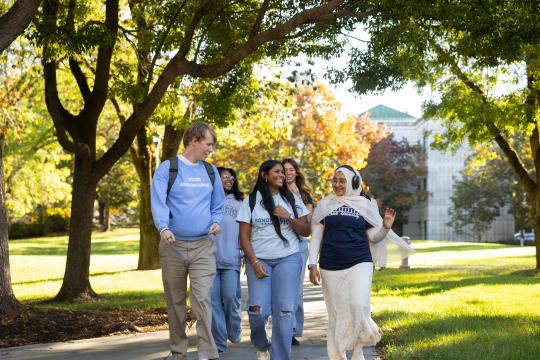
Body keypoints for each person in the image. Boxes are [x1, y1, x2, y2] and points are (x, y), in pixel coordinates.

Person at [308, 165, 414, 360]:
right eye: (335, 180)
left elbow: (374, 238)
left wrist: (384, 227)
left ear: (353, 183)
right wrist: (312, 264)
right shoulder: (325, 204)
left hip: (359, 261)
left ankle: (358, 351)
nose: (337, 184)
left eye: (342, 181)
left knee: (359, 305)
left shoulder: (366, 204)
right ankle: (338, 354)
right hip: (330, 264)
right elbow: (316, 237)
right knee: (337, 312)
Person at [151, 122, 225, 360]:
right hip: (173, 246)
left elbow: (218, 205)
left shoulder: (210, 171)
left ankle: (207, 352)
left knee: (202, 299)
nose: (210, 149)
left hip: (203, 245)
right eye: (208, 144)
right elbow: (158, 201)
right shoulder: (168, 169)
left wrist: (216, 221)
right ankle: (178, 352)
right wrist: (163, 227)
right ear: (194, 140)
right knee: (175, 302)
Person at [237, 160, 311, 360]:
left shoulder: (292, 200)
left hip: (289, 259)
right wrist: (254, 262)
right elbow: (243, 237)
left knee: (285, 312)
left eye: (283, 172)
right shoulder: (251, 201)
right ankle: (262, 345)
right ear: (265, 175)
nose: (282, 175)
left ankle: (280, 357)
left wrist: (288, 217)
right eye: (277, 172)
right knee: (257, 311)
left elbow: (306, 230)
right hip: (260, 261)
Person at [211, 167, 244, 353]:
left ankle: (234, 328)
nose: (228, 180)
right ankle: (219, 342)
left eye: (232, 177)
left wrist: (242, 252)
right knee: (213, 301)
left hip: (231, 258)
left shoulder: (240, 203)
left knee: (230, 297)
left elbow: (246, 230)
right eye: (224, 177)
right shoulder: (207, 201)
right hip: (208, 259)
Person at [282, 158, 314, 346]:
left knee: (297, 291)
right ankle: (283, 327)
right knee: (282, 290)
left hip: (300, 244)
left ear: (296, 172)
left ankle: (294, 330)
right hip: (282, 244)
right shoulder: (278, 193)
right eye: (284, 169)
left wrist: (293, 218)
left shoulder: (305, 195)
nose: (288, 173)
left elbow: (308, 223)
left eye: (291, 169)